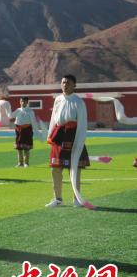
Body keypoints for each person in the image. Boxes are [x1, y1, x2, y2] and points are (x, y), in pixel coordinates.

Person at [46, 75, 93, 209]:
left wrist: (79, 142)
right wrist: (50, 135)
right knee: (55, 168)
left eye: (68, 82)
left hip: (73, 136)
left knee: (75, 169)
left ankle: (76, 199)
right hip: (58, 136)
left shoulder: (79, 102)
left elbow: (82, 124)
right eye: (63, 82)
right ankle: (57, 198)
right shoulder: (58, 100)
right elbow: (53, 119)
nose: (65, 85)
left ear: (74, 85)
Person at [10, 97, 40, 167]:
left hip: (27, 130)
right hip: (18, 130)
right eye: (21, 101)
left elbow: (33, 121)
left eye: (24, 101)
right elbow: (11, 116)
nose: (22, 103)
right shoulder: (18, 110)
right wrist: (6, 108)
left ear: (27, 102)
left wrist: (36, 131)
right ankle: (20, 163)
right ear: (20, 102)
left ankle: (26, 163)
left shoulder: (30, 111)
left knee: (26, 148)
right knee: (19, 148)